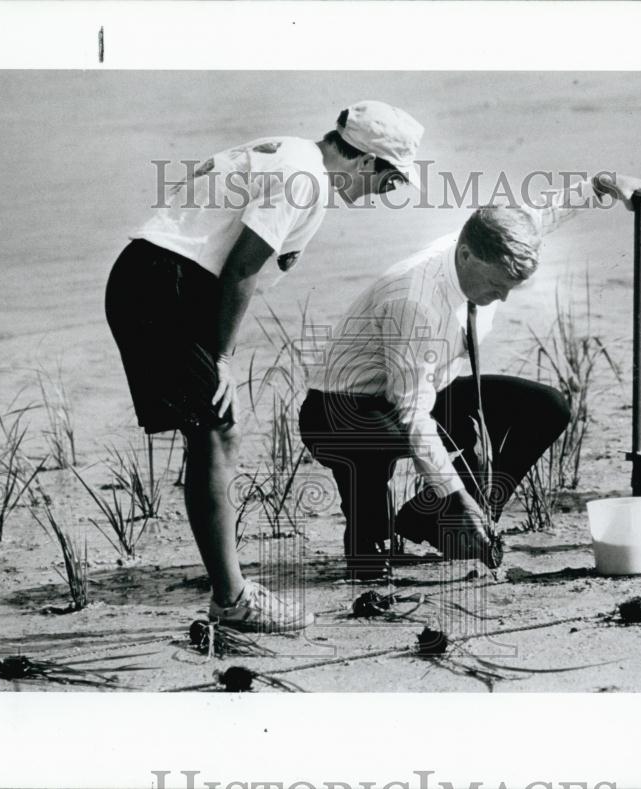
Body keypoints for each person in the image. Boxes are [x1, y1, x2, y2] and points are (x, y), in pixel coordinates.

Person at [105, 101, 424, 630]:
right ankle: (232, 600)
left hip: (155, 278)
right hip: (163, 285)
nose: (383, 194)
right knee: (214, 431)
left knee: (216, 432)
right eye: (389, 181)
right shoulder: (306, 179)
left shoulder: (293, 155)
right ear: (367, 162)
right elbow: (241, 270)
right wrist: (225, 356)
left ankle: (230, 591)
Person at [299, 173, 641, 579]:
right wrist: (455, 492)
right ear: (465, 256)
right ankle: (370, 549)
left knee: (546, 407)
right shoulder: (415, 302)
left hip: (420, 392)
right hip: (339, 410)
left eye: (511, 288)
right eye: (495, 285)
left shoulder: (486, 241)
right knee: (382, 453)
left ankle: (431, 520)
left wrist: (605, 184)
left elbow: (543, 214)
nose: (501, 298)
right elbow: (412, 412)